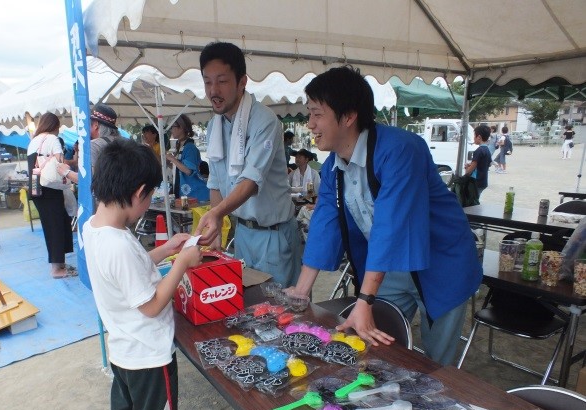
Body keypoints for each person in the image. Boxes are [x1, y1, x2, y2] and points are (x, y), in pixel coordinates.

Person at [290, 66, 482, 366]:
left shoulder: (401, 149)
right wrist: (301, 292)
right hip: (389, 265)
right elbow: (324, 227)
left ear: (348, 116)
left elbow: (391, 225)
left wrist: (365, 300)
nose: (310, 123)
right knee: (377, 343)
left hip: (441, 262)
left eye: (317, 114)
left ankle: (433, 404)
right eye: (309, 113)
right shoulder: (331, 168)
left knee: (435, 361)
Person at [83, 138, 204, 410]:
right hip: (149, 357)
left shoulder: (96, 227)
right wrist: (181, 264)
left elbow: (130, 272)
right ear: (138, 193)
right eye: (150, 195)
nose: (149, 203)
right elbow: (150, 305)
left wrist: (167, 250)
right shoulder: (119, 244)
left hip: (122, 352)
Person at [195, 41, 302, 287]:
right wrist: (217, 228)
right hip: (242, 233)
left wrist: (216, 213)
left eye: (222, 81)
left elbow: (251, 182)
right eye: (208, 81)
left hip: (273, 235)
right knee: (249, 308)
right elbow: (215, 183)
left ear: (242, 82)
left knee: (280, 310)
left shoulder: (264, 120)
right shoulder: (214, 126)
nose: (214, 90)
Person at [26, 112, 75, 279]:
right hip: (49, 187)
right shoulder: (52, 139)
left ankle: (59, 263)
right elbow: (60, 162)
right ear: (55, 125)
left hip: (35, 185)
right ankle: (56, 268)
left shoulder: (33, 141)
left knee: (55, 223)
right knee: (56, 225)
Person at [166, 114, 210, 202]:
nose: (171, 130)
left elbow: (188, 171)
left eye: (173, 127)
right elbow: (178, 169)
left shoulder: (190, 148)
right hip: (185, 195)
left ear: (181, 127)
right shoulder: (180, 146)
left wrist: (172, 159)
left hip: (194, 194)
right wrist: (167, 162)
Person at [89, 104, 120, 171]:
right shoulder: (128, 142)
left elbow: (91, 178)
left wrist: (67, 172)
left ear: (95, 125)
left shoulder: (93, 145)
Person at [464, 125, 492, 196]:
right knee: (476, 200)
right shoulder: (487, 150)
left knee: (472, 202)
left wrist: (467, 168)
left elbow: (470, 170)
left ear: (479, 137)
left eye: (474, 136)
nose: (474, 138)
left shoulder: (478, 151)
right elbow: (488, 163)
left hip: (476, 181)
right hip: (483, 181)